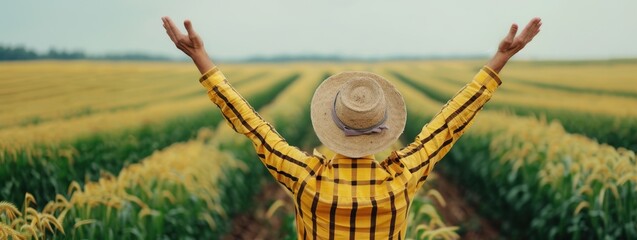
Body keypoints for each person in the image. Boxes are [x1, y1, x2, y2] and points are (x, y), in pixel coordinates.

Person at [161, 16, 541, 240]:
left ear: (331, 125)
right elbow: (449, 124)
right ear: (385, 129)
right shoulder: (402, 177)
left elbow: (253, 126)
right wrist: (499, 61)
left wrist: (201, 59)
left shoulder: (306, 178)